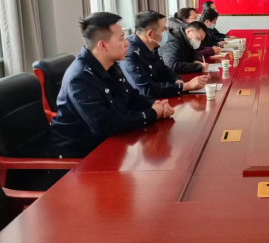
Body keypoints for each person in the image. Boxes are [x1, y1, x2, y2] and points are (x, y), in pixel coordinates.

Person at [48, 13, 175, 159]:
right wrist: (152, 113)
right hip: (82, 155)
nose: (127, 43)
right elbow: (105, 125)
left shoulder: (110, 63)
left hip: (108, 143)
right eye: (121, 38)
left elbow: (130, 96)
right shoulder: (80, 78)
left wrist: (155, 104)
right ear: (102, 45)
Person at [121, 11, 209, 99]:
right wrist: (185, 86)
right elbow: (147, 89)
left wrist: (177, 80)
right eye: (163, 29)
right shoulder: (130, 54)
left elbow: (164, 70)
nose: (166, 32)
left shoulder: (152, 46)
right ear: (150, 34)